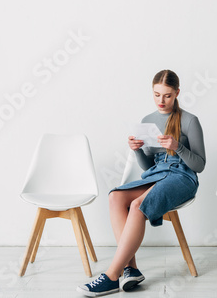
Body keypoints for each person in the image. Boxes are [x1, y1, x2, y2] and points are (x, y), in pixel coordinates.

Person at [77, 70, 206, 296]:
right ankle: (131, 269)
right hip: (157, 174)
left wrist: (178, 147)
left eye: (167, 96)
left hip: (183, 177)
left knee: (137, 205)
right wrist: (136, 151)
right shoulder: (148, 121)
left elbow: (200, 165)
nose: (161, 101)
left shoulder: (190, 120)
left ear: (177, 93)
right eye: (156, 95)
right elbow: (147, 167)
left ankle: (111, 276)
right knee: (115, 196)